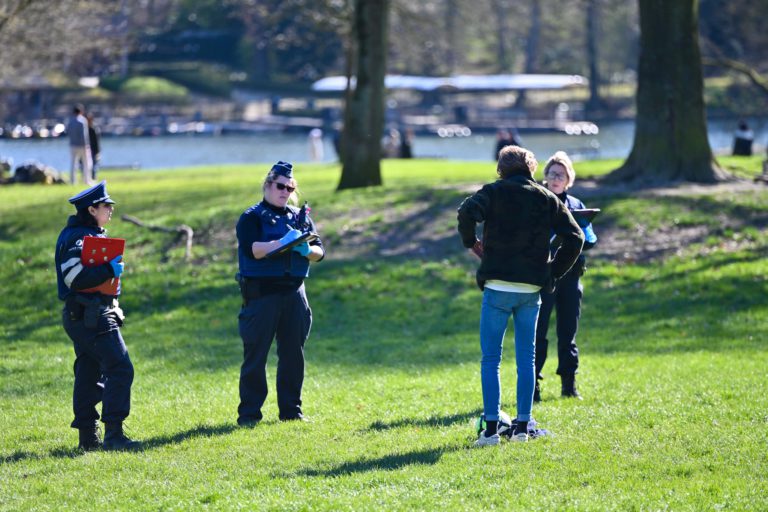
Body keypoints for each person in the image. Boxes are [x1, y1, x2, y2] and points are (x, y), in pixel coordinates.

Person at [457, 146, 584, 447]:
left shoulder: (492, 192)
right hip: (530, 289)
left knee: (491, 359)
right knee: (526, 359)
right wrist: (553, 272)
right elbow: (576, 237)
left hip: (497, 287)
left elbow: (466, 212)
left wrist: (471, 242)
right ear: (532, 168)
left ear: (501, 169)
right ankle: (523, 428)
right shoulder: (546, 197)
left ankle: (490, 431)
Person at [236, 161, 325, 426]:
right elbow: (253, 250)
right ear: (267, 185)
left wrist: (306, 250)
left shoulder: (300, 216)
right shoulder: (251, 217)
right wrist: (281, 243)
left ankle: (291, 411)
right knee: (256, 356)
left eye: (290, 188)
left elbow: (320, 251)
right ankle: (249, 415)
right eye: (280, 186)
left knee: (293, 355)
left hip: (295, 294)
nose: (285, 191)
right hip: (262, 295)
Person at [55, 180, 138, 451]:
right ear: (91, 209)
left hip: (84, 314)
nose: (111, 209)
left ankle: (88, 439)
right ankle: (114, 435)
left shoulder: (84, 233)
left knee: (89, 371)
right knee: (120, 367)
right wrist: (109, 270)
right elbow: (73, 276)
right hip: (91, 314)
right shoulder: (79, 237)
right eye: (106, 205)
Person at [534, 151, 598, 402]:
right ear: (545, 177)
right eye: (552, 174)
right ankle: (533, 386)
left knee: (568, 332)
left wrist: (577, 233)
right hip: (544, 276)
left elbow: (591, 239)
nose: (556, 178)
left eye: (561, 175)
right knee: (538, 333)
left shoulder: (577, 205)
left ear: (569, 179)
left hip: (571, 277)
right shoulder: (538, 201)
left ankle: (569, 386)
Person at [66, 104, 93, 185]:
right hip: (82, 145)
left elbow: (68, 132)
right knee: (86, 163)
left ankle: (73, 181)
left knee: (73, 164)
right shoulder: (82, 120)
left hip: (72, 145)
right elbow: (84, 135)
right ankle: (86, 180)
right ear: (81, 111)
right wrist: (86, 145)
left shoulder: (70, 121)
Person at [86, 113, 101, 180]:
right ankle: (90, 177)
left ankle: (93, 177)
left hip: (94, 149)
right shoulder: (87, 128)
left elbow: (97, 141)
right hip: (88, 149)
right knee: (90, 164)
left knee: (94, 164)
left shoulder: (94, 128)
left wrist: (98, 150)